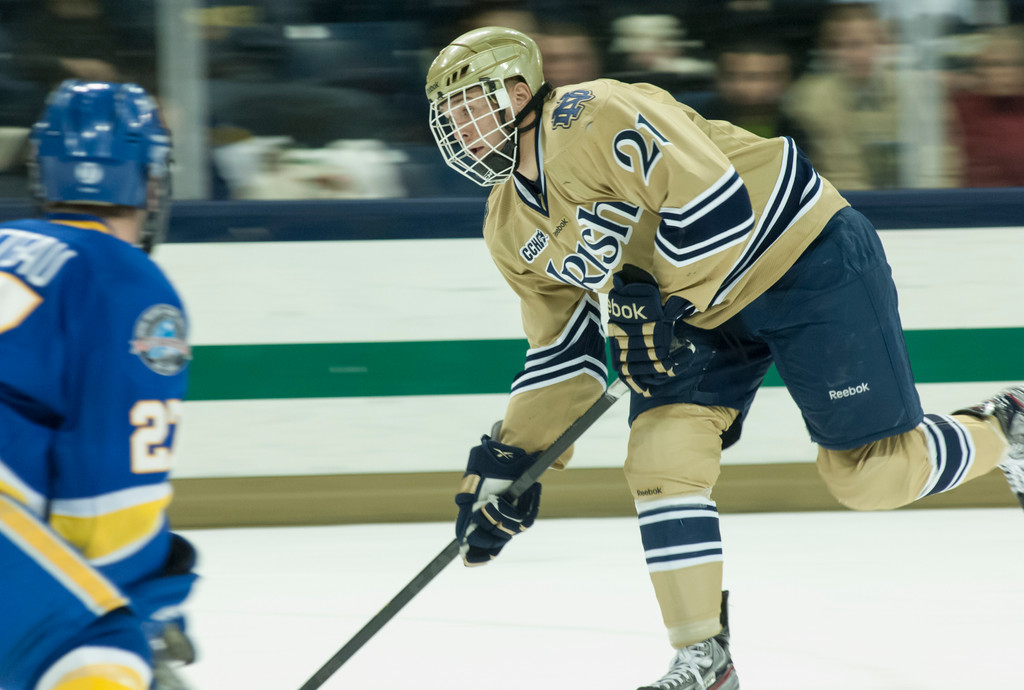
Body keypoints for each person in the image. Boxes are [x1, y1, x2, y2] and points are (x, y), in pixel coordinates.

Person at [423, 26, 1024, 690]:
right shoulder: (508, 225)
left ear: (517, 93)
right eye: (447, 116)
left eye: (467, 107)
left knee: (873, 477)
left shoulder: (595, 113)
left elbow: (715, 203)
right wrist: (513, 461)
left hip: (800, 256)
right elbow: (565, 349)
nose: (457, 129)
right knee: (659, 456)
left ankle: (1007, 426)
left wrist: (657, 306)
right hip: (700, 314)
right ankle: (704, 659)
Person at [0, 80, 198, 690]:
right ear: (150, 183)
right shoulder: (128, 283)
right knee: (97, 655)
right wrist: (143, 610)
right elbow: (109, 504)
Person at [951, 24, 1024, 187]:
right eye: (995, 64)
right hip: (978, 199)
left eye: (1015, 64)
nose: (1005, 72)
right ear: (981, 69)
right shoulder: (963, 106)